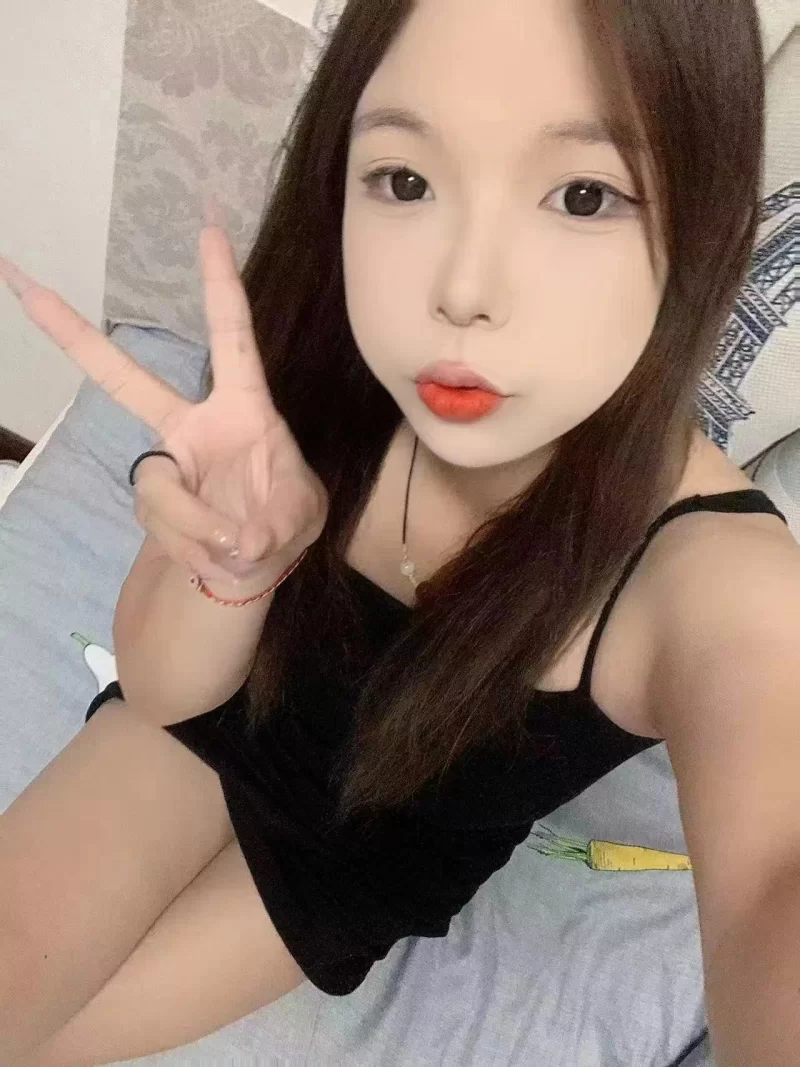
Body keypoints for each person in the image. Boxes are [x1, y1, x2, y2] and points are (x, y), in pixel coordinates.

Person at [1, 0, 799, 1063]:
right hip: (223, 713)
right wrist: (234, 566)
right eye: (406, 180)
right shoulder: (327, 352)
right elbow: (164, 692)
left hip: (356, 857)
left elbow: (774, 880)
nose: (460, 290)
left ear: (702, 222)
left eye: (582, 194)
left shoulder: (713, 579)